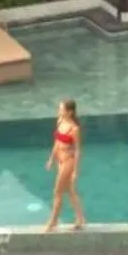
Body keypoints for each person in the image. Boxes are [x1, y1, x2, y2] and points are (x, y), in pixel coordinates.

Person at [43, 98, 86, 231]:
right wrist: (51, 159)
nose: (59, 111)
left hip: (68, 161)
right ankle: (80, 218)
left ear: (69, 112)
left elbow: (78, 150)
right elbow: (57, 143)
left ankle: (53, 221)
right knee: (71, 191)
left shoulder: (74, 129)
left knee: (58, 191)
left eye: (61, 109)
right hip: (60, 160)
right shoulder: (60, 121)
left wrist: (75, 172)